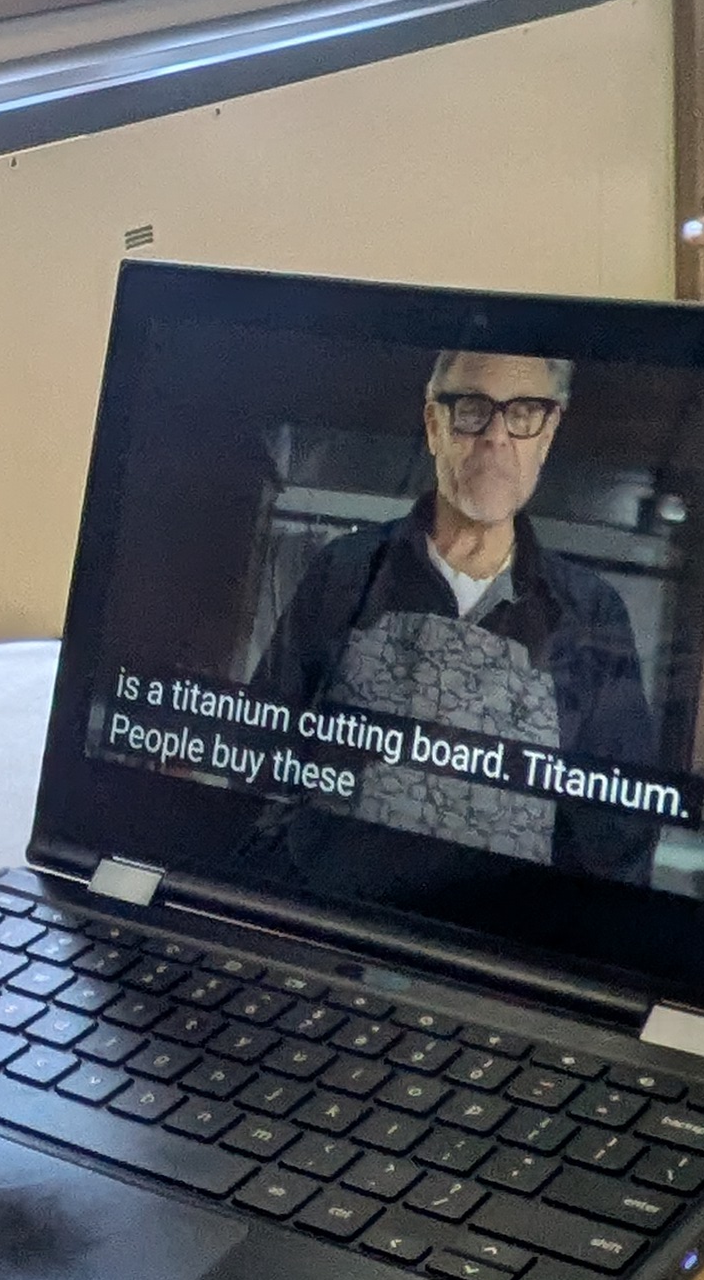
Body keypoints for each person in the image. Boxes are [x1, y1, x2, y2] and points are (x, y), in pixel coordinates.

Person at [254, 352, 664, 883]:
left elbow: (618, 835)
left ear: (547, 435)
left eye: (523, 413)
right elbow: (259, 747)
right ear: (434, 425)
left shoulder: (592, 614)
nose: (496, 437)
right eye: (472, 409)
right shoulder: (344, 571)